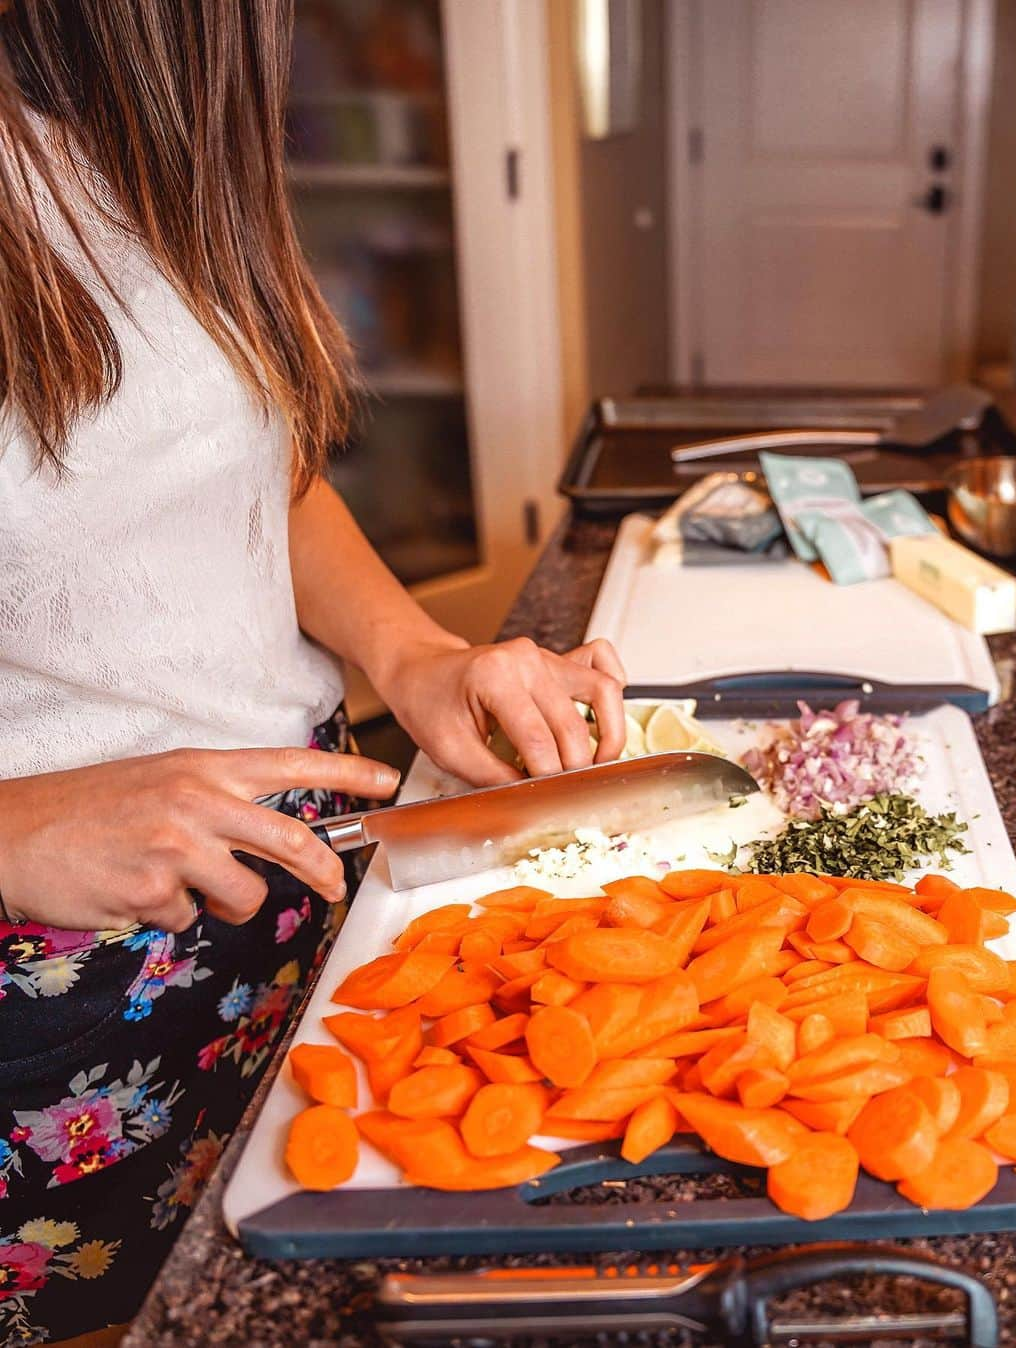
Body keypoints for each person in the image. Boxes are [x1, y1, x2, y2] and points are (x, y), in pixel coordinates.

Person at [0, 4, 626, 1343]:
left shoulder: (149, 131)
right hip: (51, 993)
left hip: (301, 888)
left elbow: (258, 473)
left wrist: (414, 656)